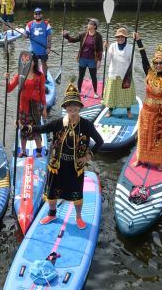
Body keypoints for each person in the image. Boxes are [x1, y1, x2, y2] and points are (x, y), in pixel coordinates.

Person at [30, 83, 105, 229]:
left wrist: (88, 156)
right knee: (52, 191)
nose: (72, 107)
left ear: (80, 106)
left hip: (75, 166)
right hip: (57, 165)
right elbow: (43, 128)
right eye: (69, 105)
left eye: (75, 104)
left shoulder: (86, 125)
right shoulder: (59, 123)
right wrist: (28, 127)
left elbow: (100, 142)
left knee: (76, 193)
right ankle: (52, 214)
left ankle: (78, 217)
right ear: (65, 107)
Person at [133, 42, 162, 168]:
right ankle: (141, 158)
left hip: (160, 113)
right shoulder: (149, 74)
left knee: (158, 137)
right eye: (156, 63)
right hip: (146, 111)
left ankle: (158, 161)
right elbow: (143, 58)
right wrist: (139, 41)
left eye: (161, 63)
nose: (158, 66)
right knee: (144, 134)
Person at [6, 55, 47, 158]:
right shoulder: (20, 75)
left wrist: (45, 108)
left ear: (34, 62)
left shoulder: (40, 75)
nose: (27, 62)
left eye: (29, 60)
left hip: (35, 108)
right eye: (25, 60)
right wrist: (6, 79)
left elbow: (42, 92)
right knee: (23, 131)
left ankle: (38, 151)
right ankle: (23, 151)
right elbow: (9, 89)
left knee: (36, 130)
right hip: (23, 108)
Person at [102, 28, 139, 118]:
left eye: (122, 37)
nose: (120, 38)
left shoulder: (130, 47)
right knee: (111, 94)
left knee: (127, 94)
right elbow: (107, 59)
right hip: (113, 74)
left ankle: (129, 111)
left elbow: (133, 62)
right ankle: (110, 110)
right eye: (118, 37)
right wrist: (105, 49)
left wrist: (130, 74)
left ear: (125, 38)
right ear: (116, 38)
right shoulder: (112, 46)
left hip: (125, 75)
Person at [62, 18, 104, 97]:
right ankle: (79, 91)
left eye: (90, 23)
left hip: (92, 60)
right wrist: (66, 36)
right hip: (82, 59)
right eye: (88, 23)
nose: (88, 24)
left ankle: (95, 92)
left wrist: (99, 61)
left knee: (93, 76)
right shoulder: (83, 34)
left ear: (95, 26)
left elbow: (100, 50)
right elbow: (73, 40)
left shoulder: (98, 36)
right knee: (81, 76)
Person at [25, 7, 52, 77]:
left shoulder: (46, 24)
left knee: (44, 63)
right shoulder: (29, 24)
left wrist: (49, 47)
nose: (37, 15)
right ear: (34, 15)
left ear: (42, 15)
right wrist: (25, 35)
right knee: (34, 65)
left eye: (39, 13)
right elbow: (26, 34)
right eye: (36, 14)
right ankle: (36, 78)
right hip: (33, 50)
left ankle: (45, 77)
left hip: (43, 50)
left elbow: (49, 37)